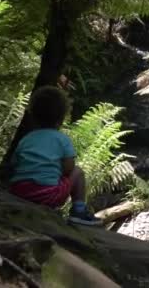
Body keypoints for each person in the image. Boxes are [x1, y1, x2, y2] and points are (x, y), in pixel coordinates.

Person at [8, 86, 102, 226]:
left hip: (19, 192)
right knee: (78, 172)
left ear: (33, 115)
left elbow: (14, 164)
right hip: (47, 196)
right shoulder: (62, 139)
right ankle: (78, 212)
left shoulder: (26, 139)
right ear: (62, 117)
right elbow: (69, 167)